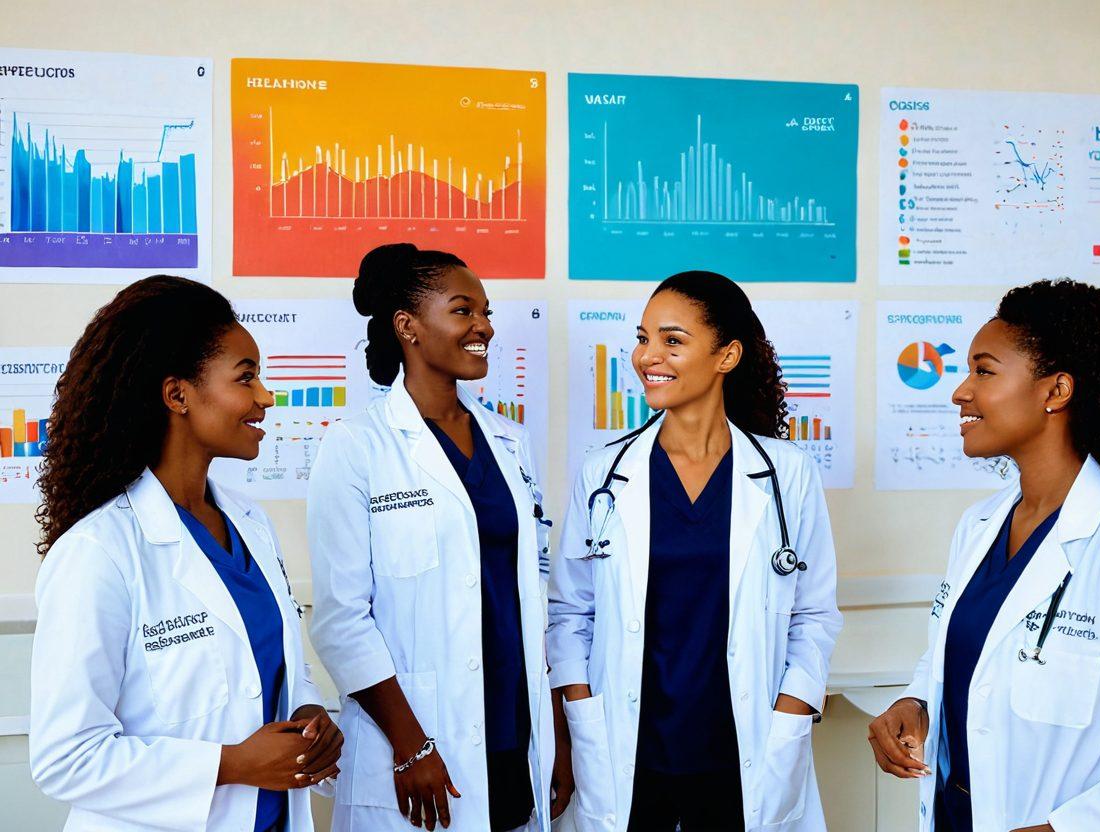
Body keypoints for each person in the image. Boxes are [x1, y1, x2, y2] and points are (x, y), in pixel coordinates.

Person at [867, 279, 1100, 832]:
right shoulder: (979, 525)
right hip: (955, 815)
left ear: (1055, 391)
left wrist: (1061, 830)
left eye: (984, 371)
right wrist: (914, 703)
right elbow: (964, 660)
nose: (961, 391)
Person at [29, 275, 341, 832]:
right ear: (178, 395)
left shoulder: (251, 526)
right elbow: (65, 758)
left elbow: (266, 669)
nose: (266, 396)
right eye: (246, 378)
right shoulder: (99, 553)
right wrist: (232, 765)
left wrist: (308, 714)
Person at [547, 271, 842, 832]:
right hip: (628, 752)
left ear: (727, 355)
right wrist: (582, 710)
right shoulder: (603, 475)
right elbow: (569, 614)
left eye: (672, 340)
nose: (646, 356)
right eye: (643, 337)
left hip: (745, 752)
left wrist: (792, 713)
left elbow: (814, 614)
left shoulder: (787, 475)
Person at [307, 244, 571, 832]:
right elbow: (342, 619)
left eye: (485, 311)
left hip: (516, 736)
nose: (483, 326)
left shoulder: (509, 443)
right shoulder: (357, 446)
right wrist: (411, 745)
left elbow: (535, 604)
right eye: (462, 310)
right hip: (420, 742)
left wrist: (556, 735)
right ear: (408, 327)